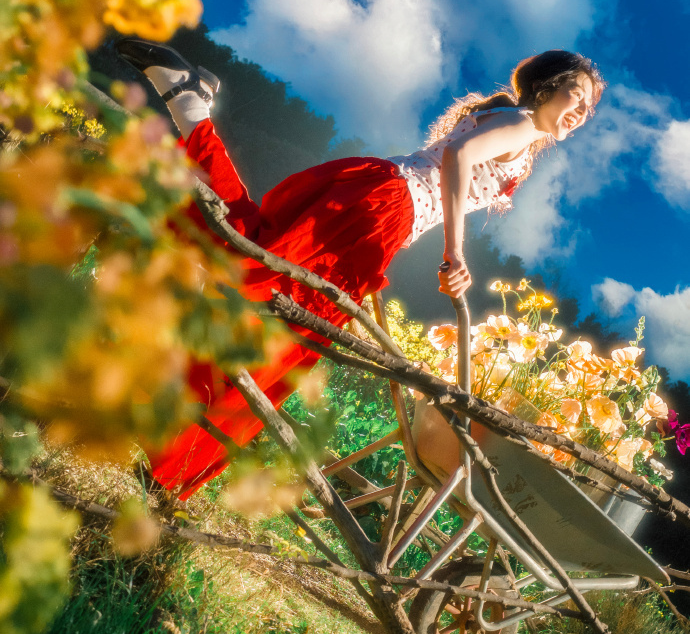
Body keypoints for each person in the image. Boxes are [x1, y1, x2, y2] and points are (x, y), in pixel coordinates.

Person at [116, 39, 604, 498]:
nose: (581, 112)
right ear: (545, 88)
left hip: (379, 203)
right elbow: (458, 155)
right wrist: (455, 251)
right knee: (280, 324)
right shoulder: (521, 124)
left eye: (589, 107)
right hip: (381, 212)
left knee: (257, 264)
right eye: (575, 94)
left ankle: (189, 104)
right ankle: (169, 461)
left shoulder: (514, 123)